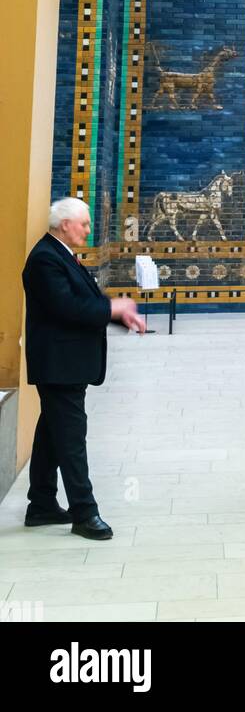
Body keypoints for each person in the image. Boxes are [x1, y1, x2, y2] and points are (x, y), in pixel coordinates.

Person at [22, 197, 145, 539]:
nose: (88, 230)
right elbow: (68, 308)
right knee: (72, 439)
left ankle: (42, 504)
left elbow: (84, 304)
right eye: (84, 224)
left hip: (66, 365)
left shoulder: (60, 255)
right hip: (59, 366)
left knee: (51, 433)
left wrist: (119, 315)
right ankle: (84, 512)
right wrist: (113, 308)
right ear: (65, 224)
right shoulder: (46, 259)